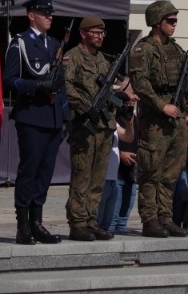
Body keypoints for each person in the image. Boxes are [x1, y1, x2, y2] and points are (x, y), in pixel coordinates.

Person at [3, 0, 67, 245]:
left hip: (52, 117)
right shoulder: (20, 43)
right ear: (31, 15)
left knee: (45, 172)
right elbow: (9, 79)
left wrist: (64, 115)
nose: (49, 16)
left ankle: (37, 222)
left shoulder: (53, 44)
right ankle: (23, 225)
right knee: (29, 170)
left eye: (50, 13)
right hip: (31, 115)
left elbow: (60, 85)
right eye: (44, 13)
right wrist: (35, 86)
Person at [129, 0, 188, 238]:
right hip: (155, 120)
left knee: (170, 173)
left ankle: (166, 217)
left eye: (175, 20)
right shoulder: (143, 49)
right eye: (170, 20)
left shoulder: (176, 50)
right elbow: (141, 84)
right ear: (157, 23)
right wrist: (161, 105)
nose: (174, 24)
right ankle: (150, 219)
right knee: (152, 172)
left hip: (177, 119)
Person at [63, 16, 116, 241]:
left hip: (104, 126)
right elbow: (66, 86)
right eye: (95, 33)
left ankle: (91, 220)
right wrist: (87, 107)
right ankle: (77, 223)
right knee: (82, 176)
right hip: (84, 125)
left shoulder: (104, 60)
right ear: (83, 34)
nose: (100, 37)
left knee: (98, 177)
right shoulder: (72, 57)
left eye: (102, 33)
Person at [96, 105, 137, 235]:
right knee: (102, 220)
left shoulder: (113, 124)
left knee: (108, 223)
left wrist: (129, 123)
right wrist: (121, 154)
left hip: (113, 177)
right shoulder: (100, 120)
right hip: (104, 177)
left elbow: (128, 137)